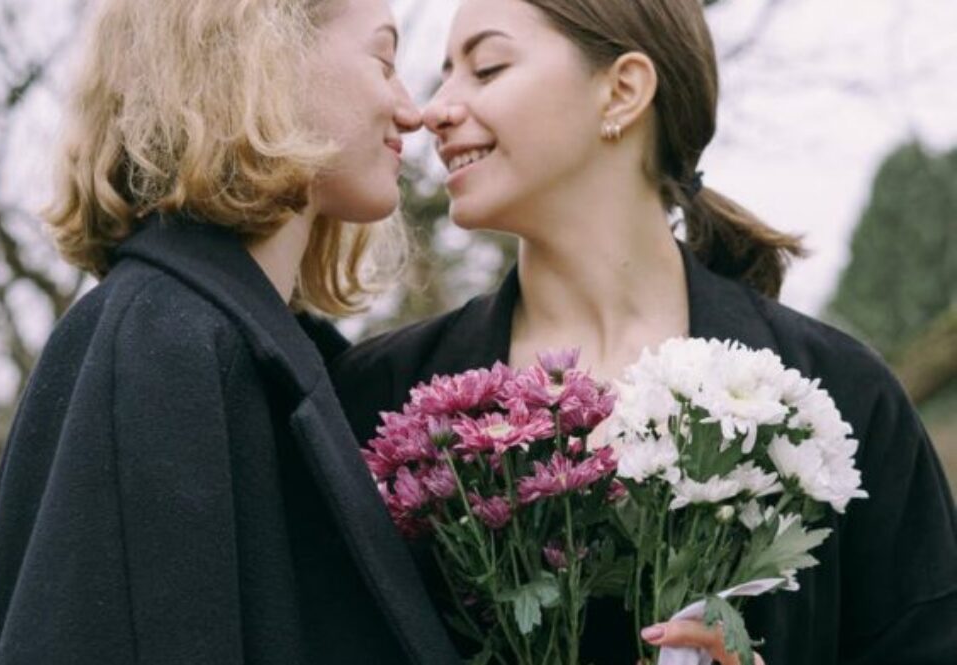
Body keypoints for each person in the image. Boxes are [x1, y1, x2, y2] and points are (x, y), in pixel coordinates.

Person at [330, 0, 957, 664]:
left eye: (486, 68)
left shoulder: (844, 401)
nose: (434, 109)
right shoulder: (380, 401)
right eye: (443, 73)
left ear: (623, 90)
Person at [0, 0, 464, 663]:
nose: (412, 109)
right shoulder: (162, 347)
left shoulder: (233, 347)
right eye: (383, 60)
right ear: (267, 60)